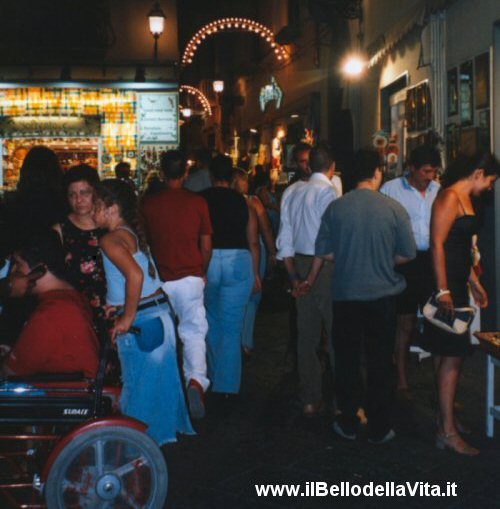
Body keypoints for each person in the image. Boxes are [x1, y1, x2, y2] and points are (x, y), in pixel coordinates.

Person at [308, 148, 416, 443]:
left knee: (347, 360)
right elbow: (408, 253)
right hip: (383, 296)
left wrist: (348, 256)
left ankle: (348, 421)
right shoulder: (393, 209)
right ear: (378, 172)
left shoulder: (336, 208)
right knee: (381, 360)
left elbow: (324, 250)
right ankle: (380, 426)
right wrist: (382, 259)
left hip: (346, 295)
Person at [93, 179, 193, 445]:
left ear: (112, 208)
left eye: (96, 206)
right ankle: (149, 449)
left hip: (144, 319)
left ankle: (138, 451)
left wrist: (125, 317)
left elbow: (134, 276)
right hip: (157, 315)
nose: (92, 212)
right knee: (154, 388)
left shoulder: (109, 239)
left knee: (139, 390)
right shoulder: (127, 232)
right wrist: (118, 304)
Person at [427, 151, 499, 456]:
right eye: (491, 181)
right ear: (479, 173)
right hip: (447, 287)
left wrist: (473, 281)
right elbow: (437, 245)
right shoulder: (449, 197)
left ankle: (448, 420)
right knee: (452, 356)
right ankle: (446, 431)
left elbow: (460, 249)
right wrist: (443, 290)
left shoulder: (466, 199)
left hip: (457, 282)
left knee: (452, 355)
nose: (492, 188)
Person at [141, 150, 212, 419]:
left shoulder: (148, 204)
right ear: (185, 173)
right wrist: (201, 271)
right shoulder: (197, 203)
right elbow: (206, 245)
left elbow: (145, 242)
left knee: (164, 337)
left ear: (161, 172)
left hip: (160, 280)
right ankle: (195, 381)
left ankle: (165, 390)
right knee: (193, 333)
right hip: (191, 277)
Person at [276, 142, 338, 417]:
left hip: (299, 265)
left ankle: (310, 398)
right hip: (322, 269)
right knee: (336, 334)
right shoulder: (328, 192)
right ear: (332, 166)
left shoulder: (291, 191)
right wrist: (311, 278)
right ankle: (340, 400)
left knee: (306, 336)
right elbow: (325, 242)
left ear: (310, 165)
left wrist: (294, 278)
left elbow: (284, 239)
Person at [380, 145, 441, 398]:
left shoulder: (438, 191)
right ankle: (402, 380)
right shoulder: (390, 190)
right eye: (426, 171)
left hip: (431, 261)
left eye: (434, 172)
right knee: (404, 322)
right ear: (412, 168)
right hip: (403, 261)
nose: (431, 177)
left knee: (437, 322)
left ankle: (441, 387)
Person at [0, 231, 99, 378]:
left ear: (39, 271)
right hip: (64, 390)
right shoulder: (70, 297)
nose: (12, 272)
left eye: (18, 264)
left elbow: (9, 371)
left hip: (60, 396)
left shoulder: (52, 311)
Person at [200, 155, 260, 396]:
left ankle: (214, 376)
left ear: (211, 175)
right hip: (238, 261)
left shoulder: (200, 200)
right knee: (232, 326)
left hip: (209, 259)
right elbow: (253, 241)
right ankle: (228, 385)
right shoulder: (243, 202)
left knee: (211, 322)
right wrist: (256, 272)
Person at [53, 165, 107, 325]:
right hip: (78, 310)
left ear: (95, 193)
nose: (79, 200)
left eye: (84, 192)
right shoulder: (60, 230)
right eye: (72, 195)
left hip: (113, 306)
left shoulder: (108, 225)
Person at [231, 169, 277, 354]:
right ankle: (246, 341)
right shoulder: (253, 202)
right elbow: (265, 229)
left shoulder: (227, 202)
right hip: (252, 249)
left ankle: (235, 338)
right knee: (252, 297)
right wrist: (273, 251)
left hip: (232, 251)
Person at [255, 165, 280, 236]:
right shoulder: (262, 190)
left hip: (271, 216)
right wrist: (277, 208)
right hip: (269, 216)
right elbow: (266, 203)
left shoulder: (265, 190)